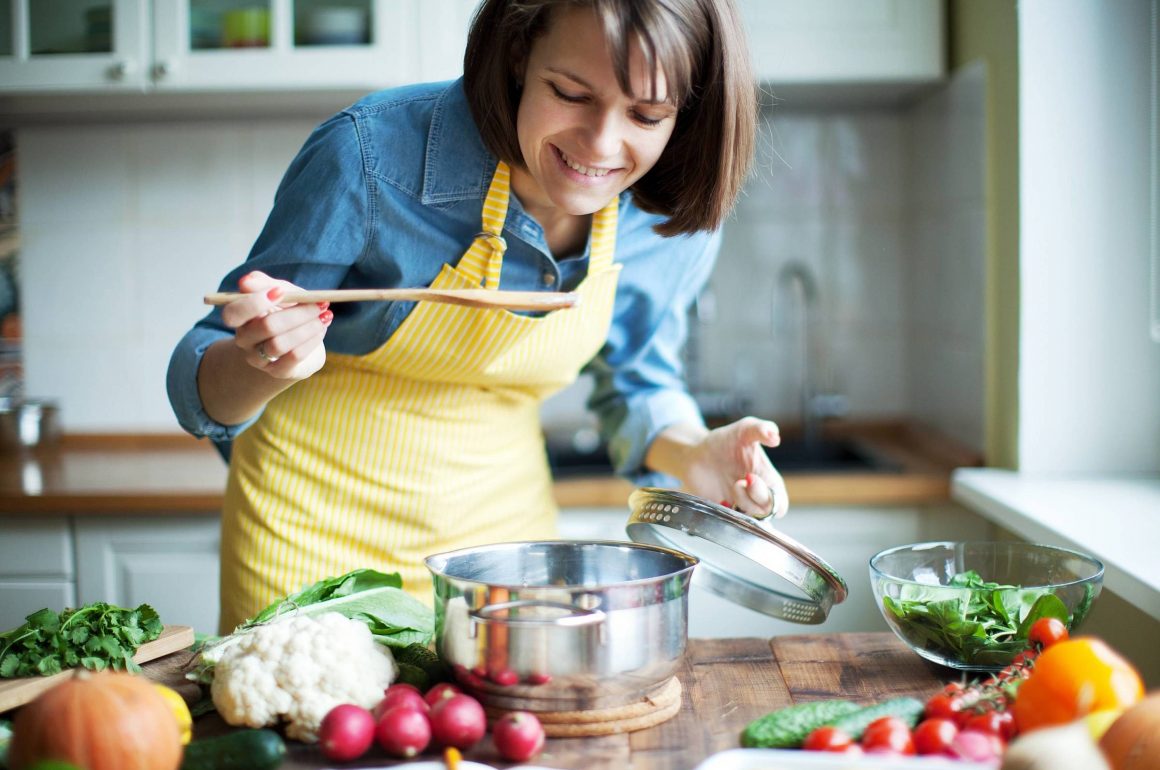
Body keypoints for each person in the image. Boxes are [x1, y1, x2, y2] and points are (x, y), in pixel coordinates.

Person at [168, 0, 790, 633]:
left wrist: (696, 455)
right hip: (305, 543)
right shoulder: (370, 155)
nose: (601, 144)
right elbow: (200, 385)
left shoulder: (667, 224)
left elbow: (637, 384)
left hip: (502, 561)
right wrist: (266, 360)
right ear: (519, 53)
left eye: (646, 115)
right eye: (570, 93)